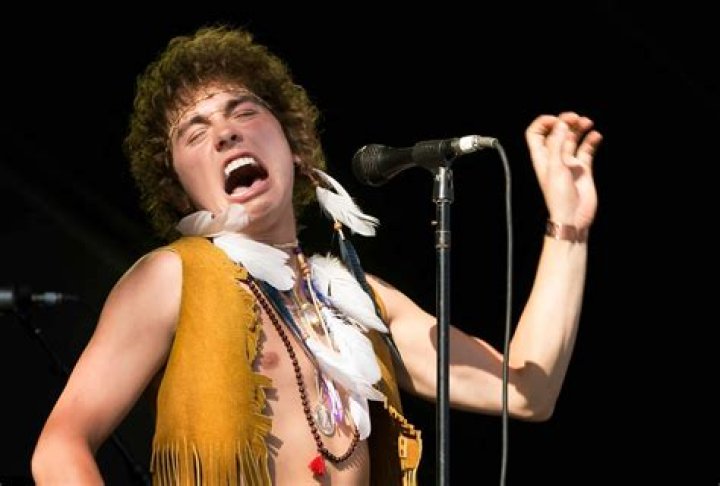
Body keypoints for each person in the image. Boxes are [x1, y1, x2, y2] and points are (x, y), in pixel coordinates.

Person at [30, 23, 603, 486]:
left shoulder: (363, 301)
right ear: (180, 191)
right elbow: (60, 447)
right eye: (195, 133)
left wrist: (568, 228)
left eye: (244, 112)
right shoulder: (172, 276)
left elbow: (528, 391)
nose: (226, 133)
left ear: (295, 148)